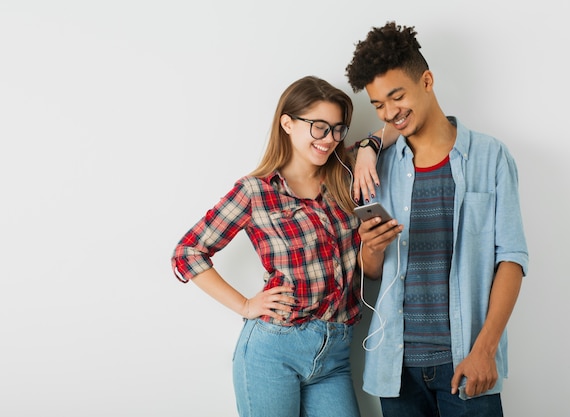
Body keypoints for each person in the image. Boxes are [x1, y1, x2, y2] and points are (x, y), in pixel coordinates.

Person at [345, 22, 529, 416]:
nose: (390, 113)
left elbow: (512, 259)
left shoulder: (490, 157)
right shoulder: (378, 167)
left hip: (467, 362)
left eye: (397, 97)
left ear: (426, 81)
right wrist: (370, 249)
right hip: (397, 369)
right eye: (378, 105)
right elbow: (373, 272)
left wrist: (485, 350)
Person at [171, 76, 363, 417]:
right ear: (287, 123)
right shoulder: (255, 192)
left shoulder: (342, 176)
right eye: (319, 127)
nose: (330, 139)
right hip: (275, 350)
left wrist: (370, 149)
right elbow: (188, 253)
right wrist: (246, 305)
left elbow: (392, 131)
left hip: (336, 352)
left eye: (337, 129)